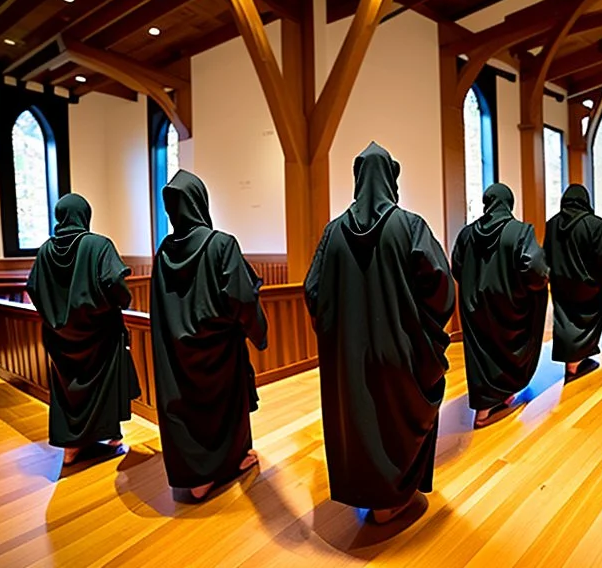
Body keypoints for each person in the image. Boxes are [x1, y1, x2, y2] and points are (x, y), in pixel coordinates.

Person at [305, 142, 454, 524]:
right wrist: (422, 329)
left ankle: (370, 494)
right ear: (391, 178)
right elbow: (441, 287)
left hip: (349, 357)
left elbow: (313, 291)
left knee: (360, 421)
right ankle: (393, 497)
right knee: (399, 419)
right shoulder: (410, 226)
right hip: (402, 351)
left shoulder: (333, 232)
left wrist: (340, 332)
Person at [151, 170, 268, 501]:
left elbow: (159, 306)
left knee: (187, 408)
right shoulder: (220, 244)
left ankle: (197, 477)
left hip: (176, 350)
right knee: (226, 407)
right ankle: (228, 463)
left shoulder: (163, 252)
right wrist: (258, 332)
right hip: (219, 349)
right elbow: (243, 298)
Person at [26, 194, 141, 466]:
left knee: (68, 388)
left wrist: (54, 316)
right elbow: (116, 284)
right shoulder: (98, 244)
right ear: (84, 215)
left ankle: (71, 446)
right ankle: (110, 435)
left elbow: (32, 287)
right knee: (104, 384)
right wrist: (119, 302)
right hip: (100, 331)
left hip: (59, 336)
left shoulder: (45, 250)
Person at [452, 183, 548, 428]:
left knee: (482, 354)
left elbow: (457, 267)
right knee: (509, 349)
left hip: (475, 308)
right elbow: (536, 269)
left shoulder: (467, 233)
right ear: (509, 203)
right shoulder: (520, 231)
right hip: (510, 305)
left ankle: (484, 410)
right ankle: (507, 391)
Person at [543, 185, 602, 380]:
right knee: (588, 319)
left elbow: (546, 254)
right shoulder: (596, 224)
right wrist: (597, 276)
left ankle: (572, 362)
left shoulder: (552, 224)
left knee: (566, 320)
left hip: (560, 285)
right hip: (588, 285)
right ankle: (576, 362)